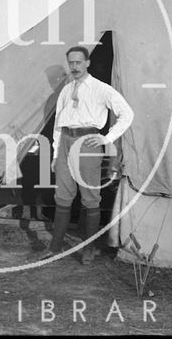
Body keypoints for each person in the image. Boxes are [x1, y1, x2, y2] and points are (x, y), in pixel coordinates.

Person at [37, 45, 134, 264]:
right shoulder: (65, 89)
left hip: (88, 143)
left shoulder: (102, 89)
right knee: (62, 196)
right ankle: (55, 247)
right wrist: (55, 155)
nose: (74, 66)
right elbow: (58, 125)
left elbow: (127, 114)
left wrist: (106, 138)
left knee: (90, 198)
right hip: (65, 144)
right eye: (71, 62)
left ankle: (88, 249)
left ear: (87, 63)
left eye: (78, 62)